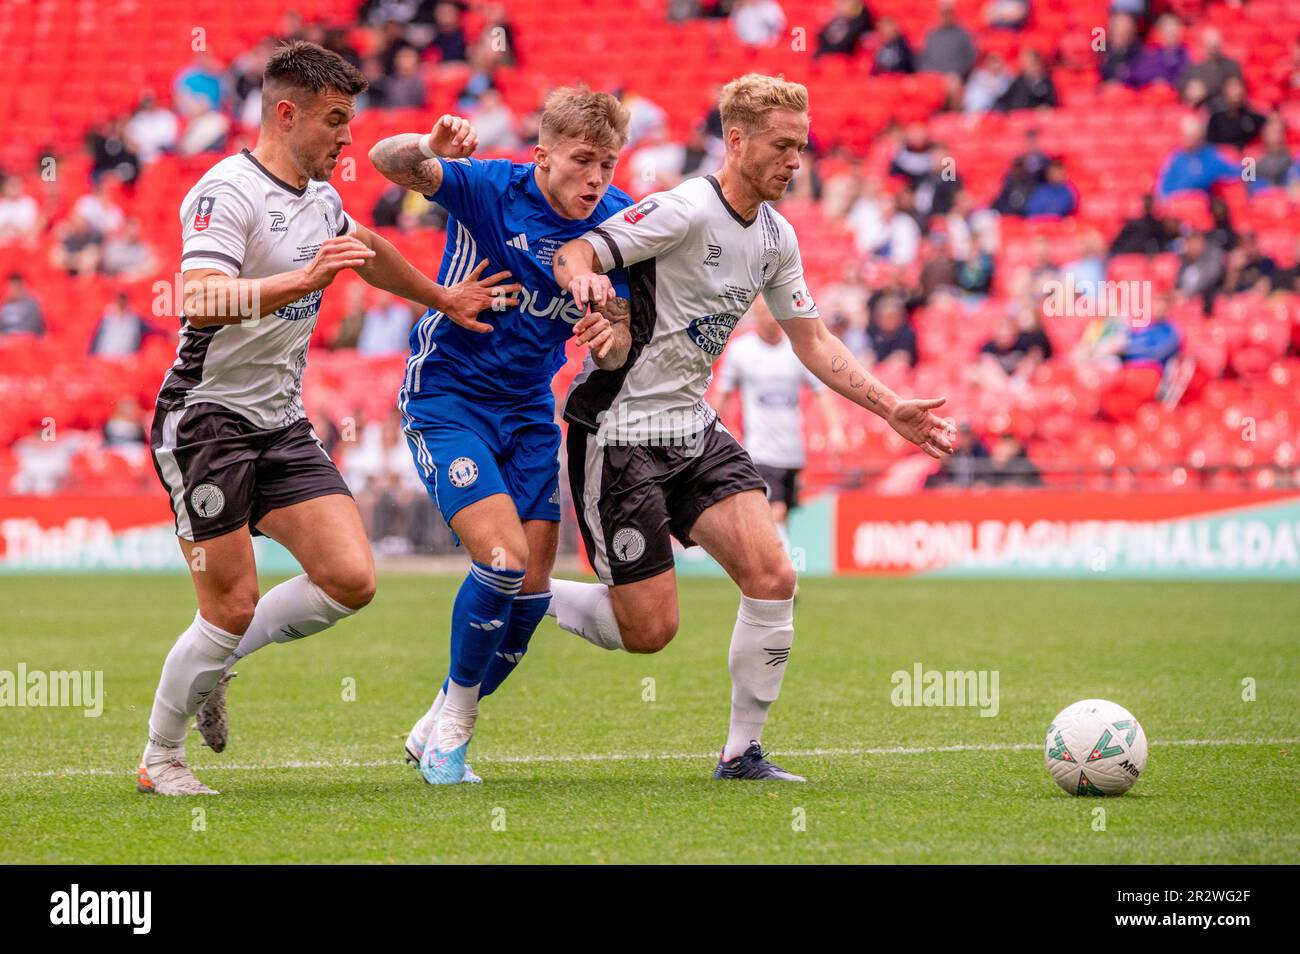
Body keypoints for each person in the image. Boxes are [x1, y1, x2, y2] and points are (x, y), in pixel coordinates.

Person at [550, 74, 955, 782]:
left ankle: (742, 754)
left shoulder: (775, 237)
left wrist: (891, 406)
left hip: (692, 426)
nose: (795, 161)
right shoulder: (682, 211)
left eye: (801, 147)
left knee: (773, 576)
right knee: (648, 632)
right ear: (736, 141)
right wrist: (584, 280)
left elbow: (815, 340)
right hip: (618, 432)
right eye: (781, 145)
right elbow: (579, 251)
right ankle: (523, 593)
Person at [137, 41, 509, 797]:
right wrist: (301, 279)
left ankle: (221, 665)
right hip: (205, 420)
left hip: (277, 421)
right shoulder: (225, 191)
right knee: (230, 603)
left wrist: (441, 298)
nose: (346, 137)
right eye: (335, 120)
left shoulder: (319, 197)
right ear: (285, 112)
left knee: (348, 577)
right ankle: (160, 759)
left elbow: (364, 249)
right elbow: (198, 296)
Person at [367, 88, 634, 784]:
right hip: (448, 398)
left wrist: (609, 339)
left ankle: (435, 721)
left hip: (526, 415)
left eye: (607, 163)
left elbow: (621, 340)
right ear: (543, 155)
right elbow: (383, 159)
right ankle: (454, 731)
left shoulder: (616, 223)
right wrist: (429, 145)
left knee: (535, 592)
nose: (596, 179)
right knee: (502, 558)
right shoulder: (490, 187)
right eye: (582, 161)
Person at [711, 297, 846, 549]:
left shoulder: (798, 349)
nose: (768, 318)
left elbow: (822, 391)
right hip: (760, 449)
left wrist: (835, 429)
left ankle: (775, 575)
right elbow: (723, 393)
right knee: (776, 511)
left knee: (782, 517)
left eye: (772, 311)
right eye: (763, 312)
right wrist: (707, 432)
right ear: (756, 314)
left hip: (792, 451)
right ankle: (787, 577)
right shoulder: (741, 351)